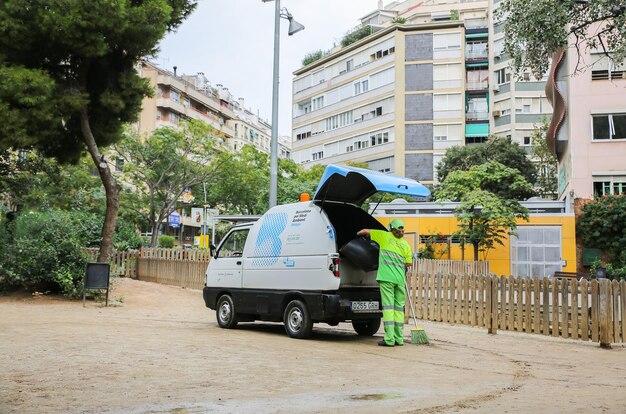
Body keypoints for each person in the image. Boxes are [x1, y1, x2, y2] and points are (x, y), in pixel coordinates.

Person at [357, 219, 412, 347]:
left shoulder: (384, 236)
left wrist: (357, 234)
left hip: (387, 279)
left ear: (391, 228)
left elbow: (365, 231)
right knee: (399, 310)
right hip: (399, 281)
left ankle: (389, 339)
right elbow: (408, 264)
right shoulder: (406, 245)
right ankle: (399, 339)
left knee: (388, 308)